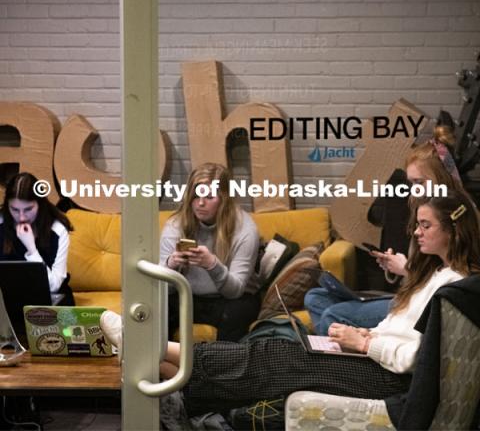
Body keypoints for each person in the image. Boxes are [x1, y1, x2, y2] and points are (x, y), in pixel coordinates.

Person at [149, 190, 479, 417]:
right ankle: (157, 360)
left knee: (273, 357)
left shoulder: (453, 289)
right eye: (417, 225)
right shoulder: (437, 275)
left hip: (387, 378)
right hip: (377, 364)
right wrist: (360, 335)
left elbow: (415, 358)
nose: (417, 234)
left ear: (454, 231)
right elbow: (398, 328)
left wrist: (365, 343)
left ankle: (153, 351)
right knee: (279, 349)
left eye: (426, 226)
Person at [304, 126, 467, 335]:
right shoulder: (424, 209)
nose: (413, 189)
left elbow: (445, 288)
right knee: (315, 298)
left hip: (420, 304)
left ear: (441, 177)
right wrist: (399, 266)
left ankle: (343, 361)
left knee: (333, 315)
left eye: (419, 182)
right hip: (410, 294)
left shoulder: (455, 217)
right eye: (411, 183)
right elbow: (424, 271)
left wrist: (406, 269)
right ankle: (342, 349)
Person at [161, 163, 260, 341]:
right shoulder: (176, 224)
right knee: (159, 303)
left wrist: (212, 265)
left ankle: (224, 367)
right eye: (196, 196)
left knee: (238, 311)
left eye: (209, 197)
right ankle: (157, 365)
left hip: (229, 299)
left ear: (224, 199)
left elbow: (235, 291)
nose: (200, 203)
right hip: (188, 296)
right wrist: (171, 266)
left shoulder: (245, 229)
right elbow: (163, 289)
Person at [0, 172, 74, 304]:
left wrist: (32, 250)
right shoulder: (1, 223)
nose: (22, 217)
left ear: (40, 204)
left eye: (28, 209)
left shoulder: (57, 229)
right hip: (7, 299)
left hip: (49, 298)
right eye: (15, 210)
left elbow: (54, 286)